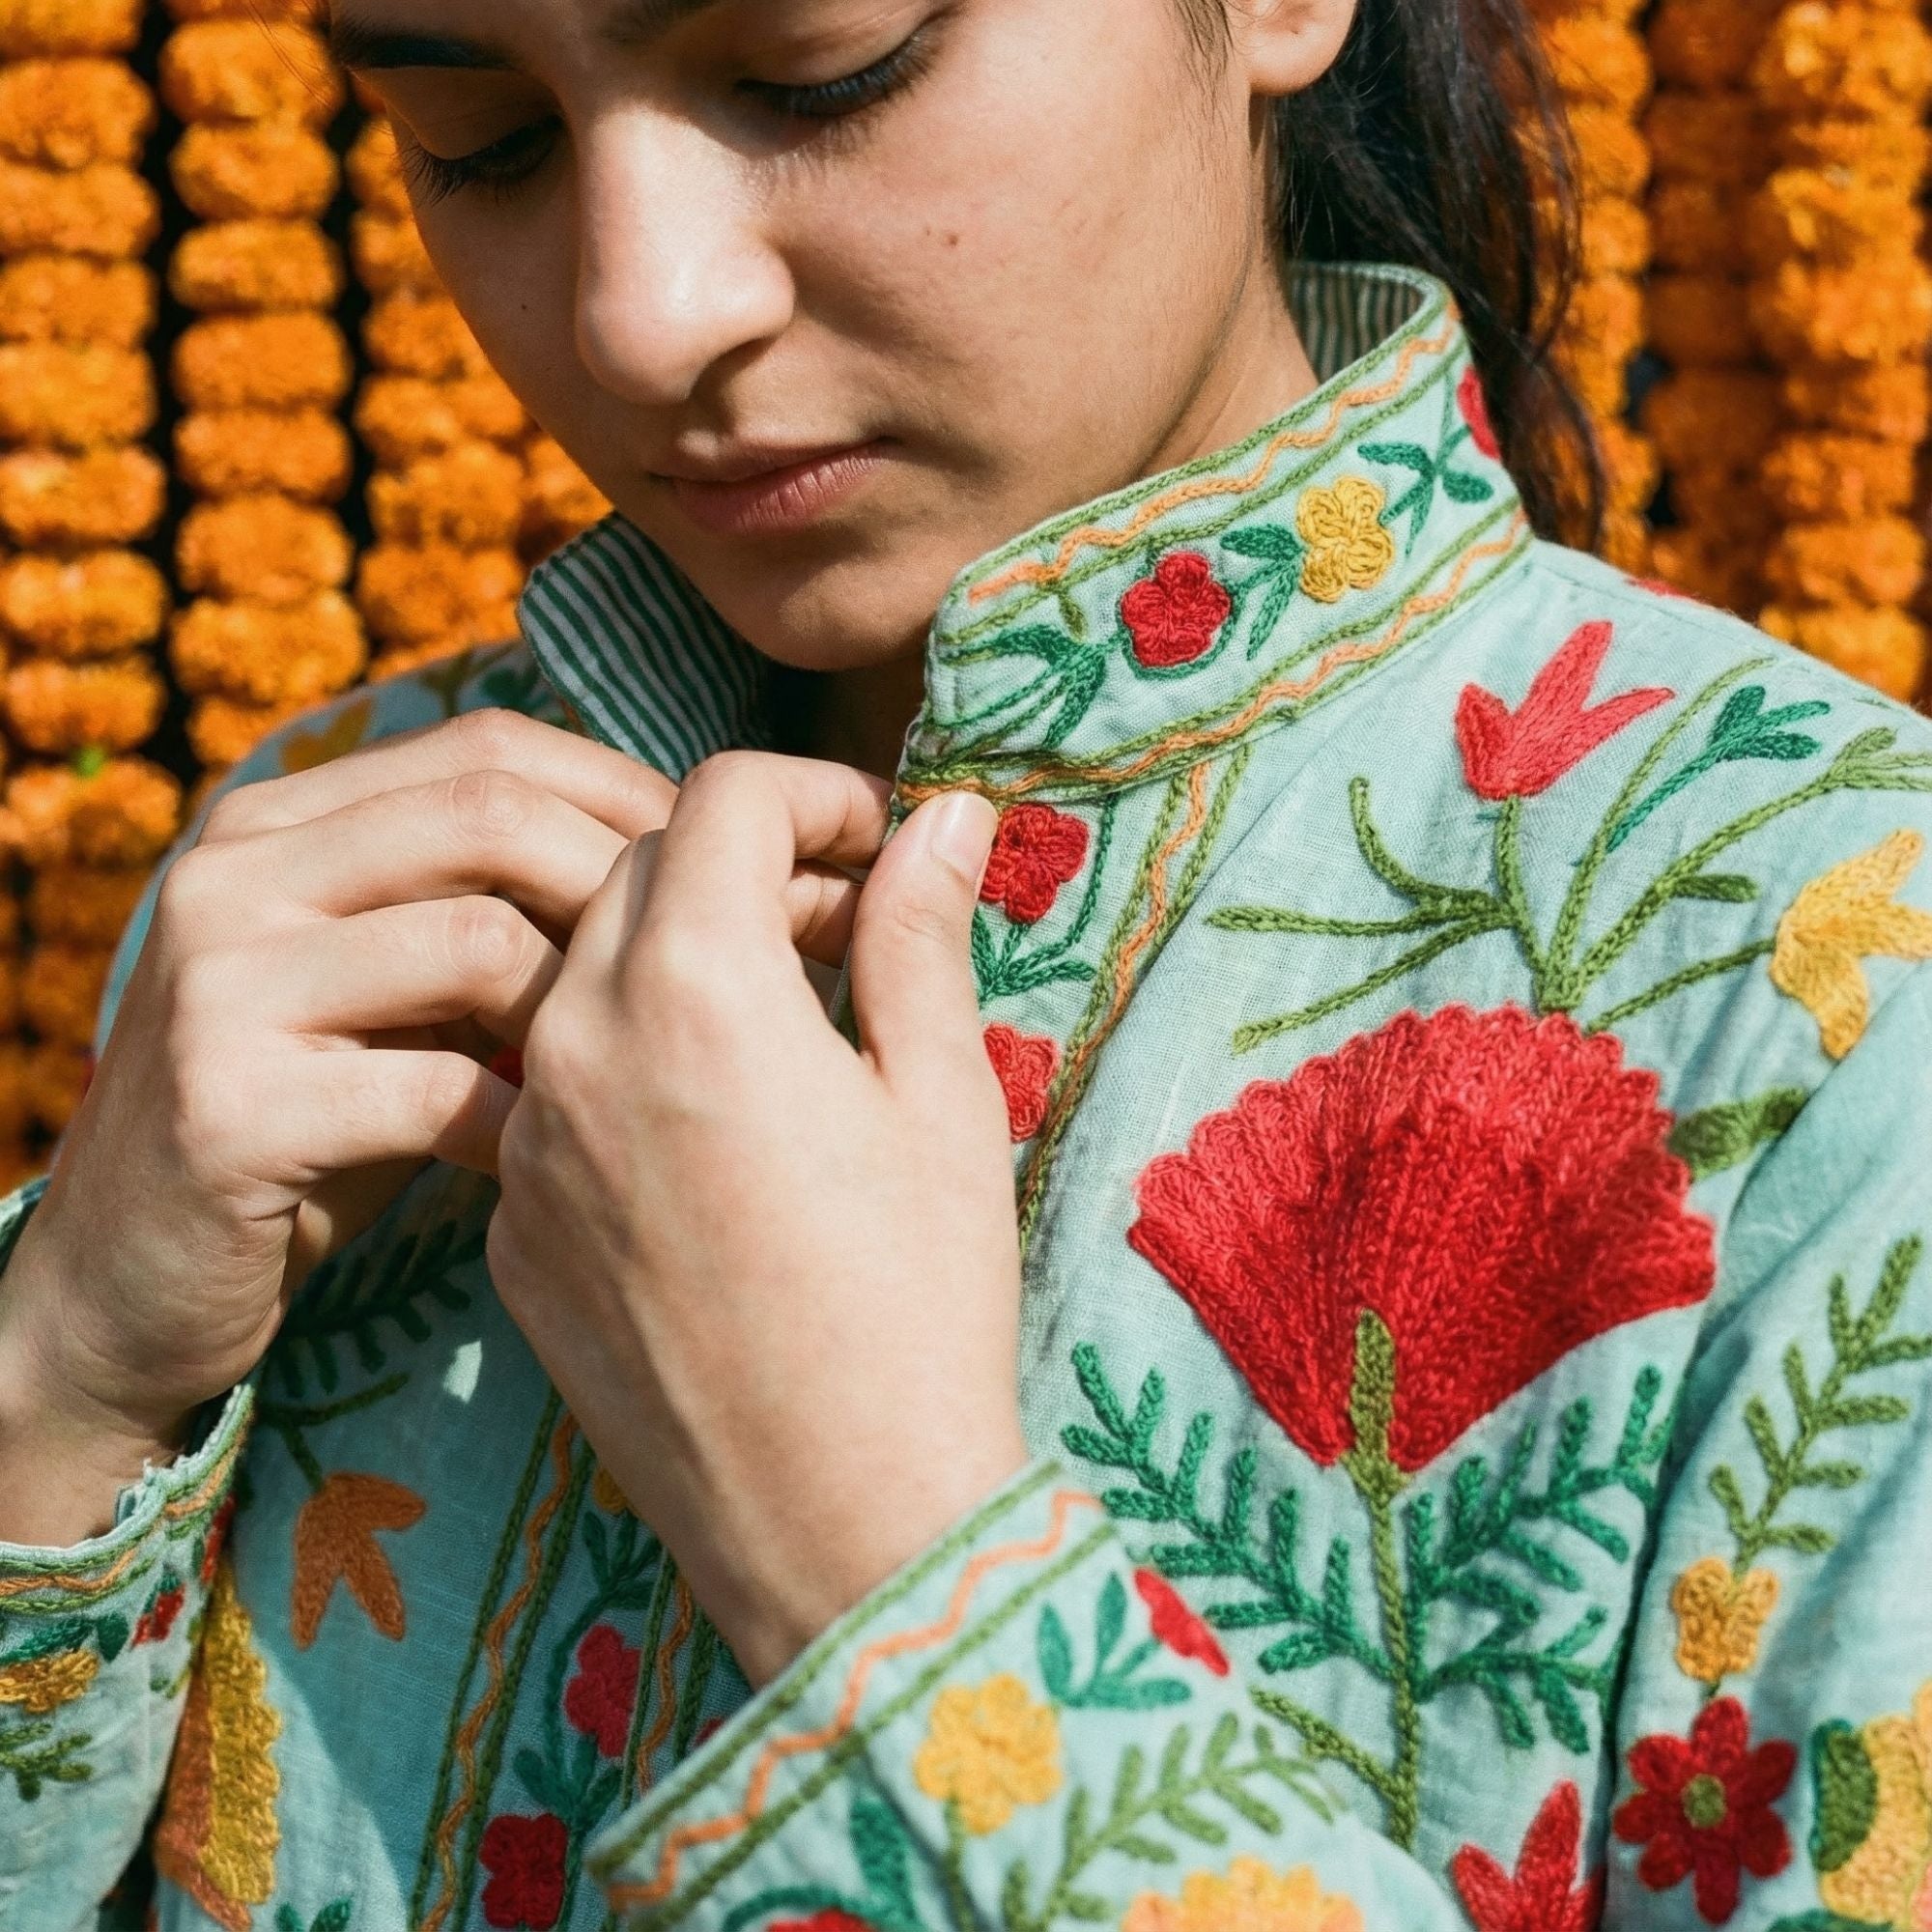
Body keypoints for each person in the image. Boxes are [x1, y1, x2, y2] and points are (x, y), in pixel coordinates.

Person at [2, 0, 1930, 1926]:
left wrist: (886, 1567)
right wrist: (57, 1384)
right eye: (478, 134)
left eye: (817, 74)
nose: (640, 312)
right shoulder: (325, 897)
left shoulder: (1827, 980)